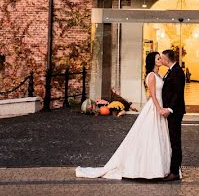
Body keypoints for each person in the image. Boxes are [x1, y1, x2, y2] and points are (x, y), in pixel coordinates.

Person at [75, 52, 171, 180]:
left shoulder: (159, 75)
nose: (160, 60)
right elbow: (152, 95)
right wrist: (159, 108)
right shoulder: (152, 76)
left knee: (157, 136)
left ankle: (158, 167)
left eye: (160, 58)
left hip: (158, 106)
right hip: (154, 108)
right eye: (158, 58)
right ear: (152, 61)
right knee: (150, 135)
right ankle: (148, 168)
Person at [159, 48, 186, 181]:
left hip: (175, 112)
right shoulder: (171, 71)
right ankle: (175, 168)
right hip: (172, 111)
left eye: (162, 58)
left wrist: (169, 109)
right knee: (173, 140)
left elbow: (177, 93)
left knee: (175, 141)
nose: (161, 60)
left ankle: (175, 171)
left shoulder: (178, 72)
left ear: (167, 59)